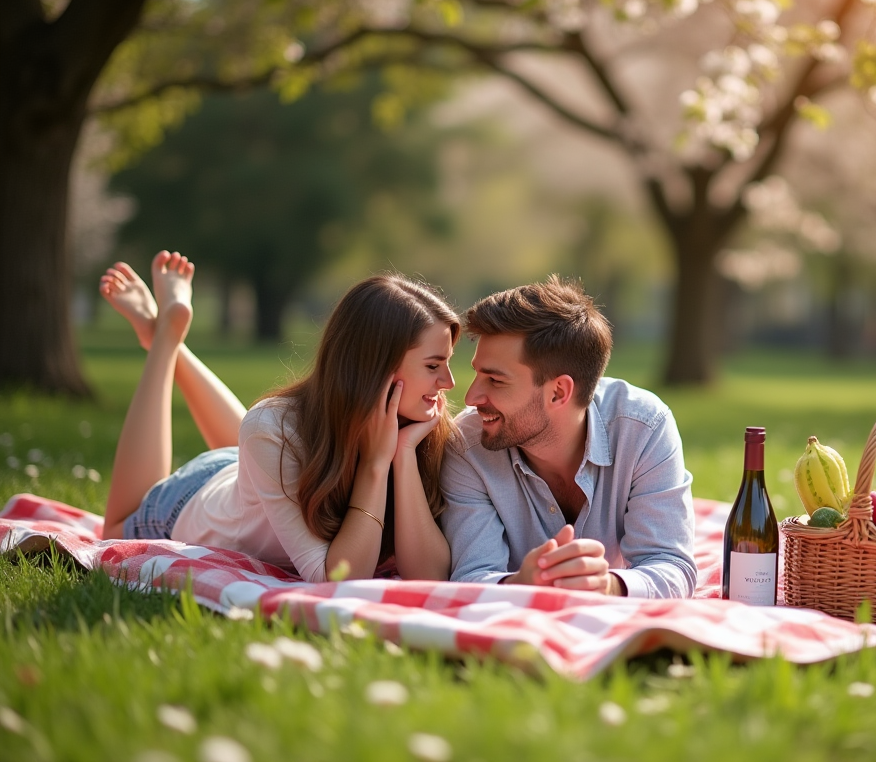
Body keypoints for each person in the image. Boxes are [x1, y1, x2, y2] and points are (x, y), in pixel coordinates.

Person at [97, 250, 457, 583]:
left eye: (448, 363)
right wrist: (376, 464)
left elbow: (429, 576)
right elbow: (338, 580)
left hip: (252, 475)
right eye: (432, 365)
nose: (449, 382)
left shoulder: (424, 428)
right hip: (187, 502)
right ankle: (163, 339)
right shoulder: (273, 429)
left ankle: (171, 339)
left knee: (261, 434)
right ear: (376, 367)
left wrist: (404, 454)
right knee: (113, 531)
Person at [439, 276, 696, 599]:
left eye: (495, 380)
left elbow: (672, 565)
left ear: (559, 392)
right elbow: (470, 575)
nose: (472, 396)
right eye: (477, 373)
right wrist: (520, 587)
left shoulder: (643, 427)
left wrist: (607, 585)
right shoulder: (467, 445)